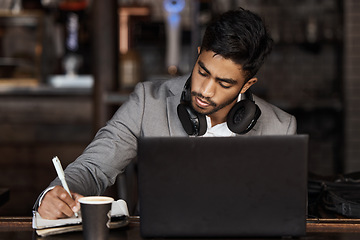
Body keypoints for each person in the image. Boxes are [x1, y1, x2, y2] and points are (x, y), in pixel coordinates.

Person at [35, 7, 296, 219]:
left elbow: (287, 214)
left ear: (247, 84)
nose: (205, 90)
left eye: (224, 83)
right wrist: (53, 195)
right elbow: (93, 169)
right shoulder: (148, 102)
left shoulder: (280, 127)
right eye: (202, 71)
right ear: (197, 56)